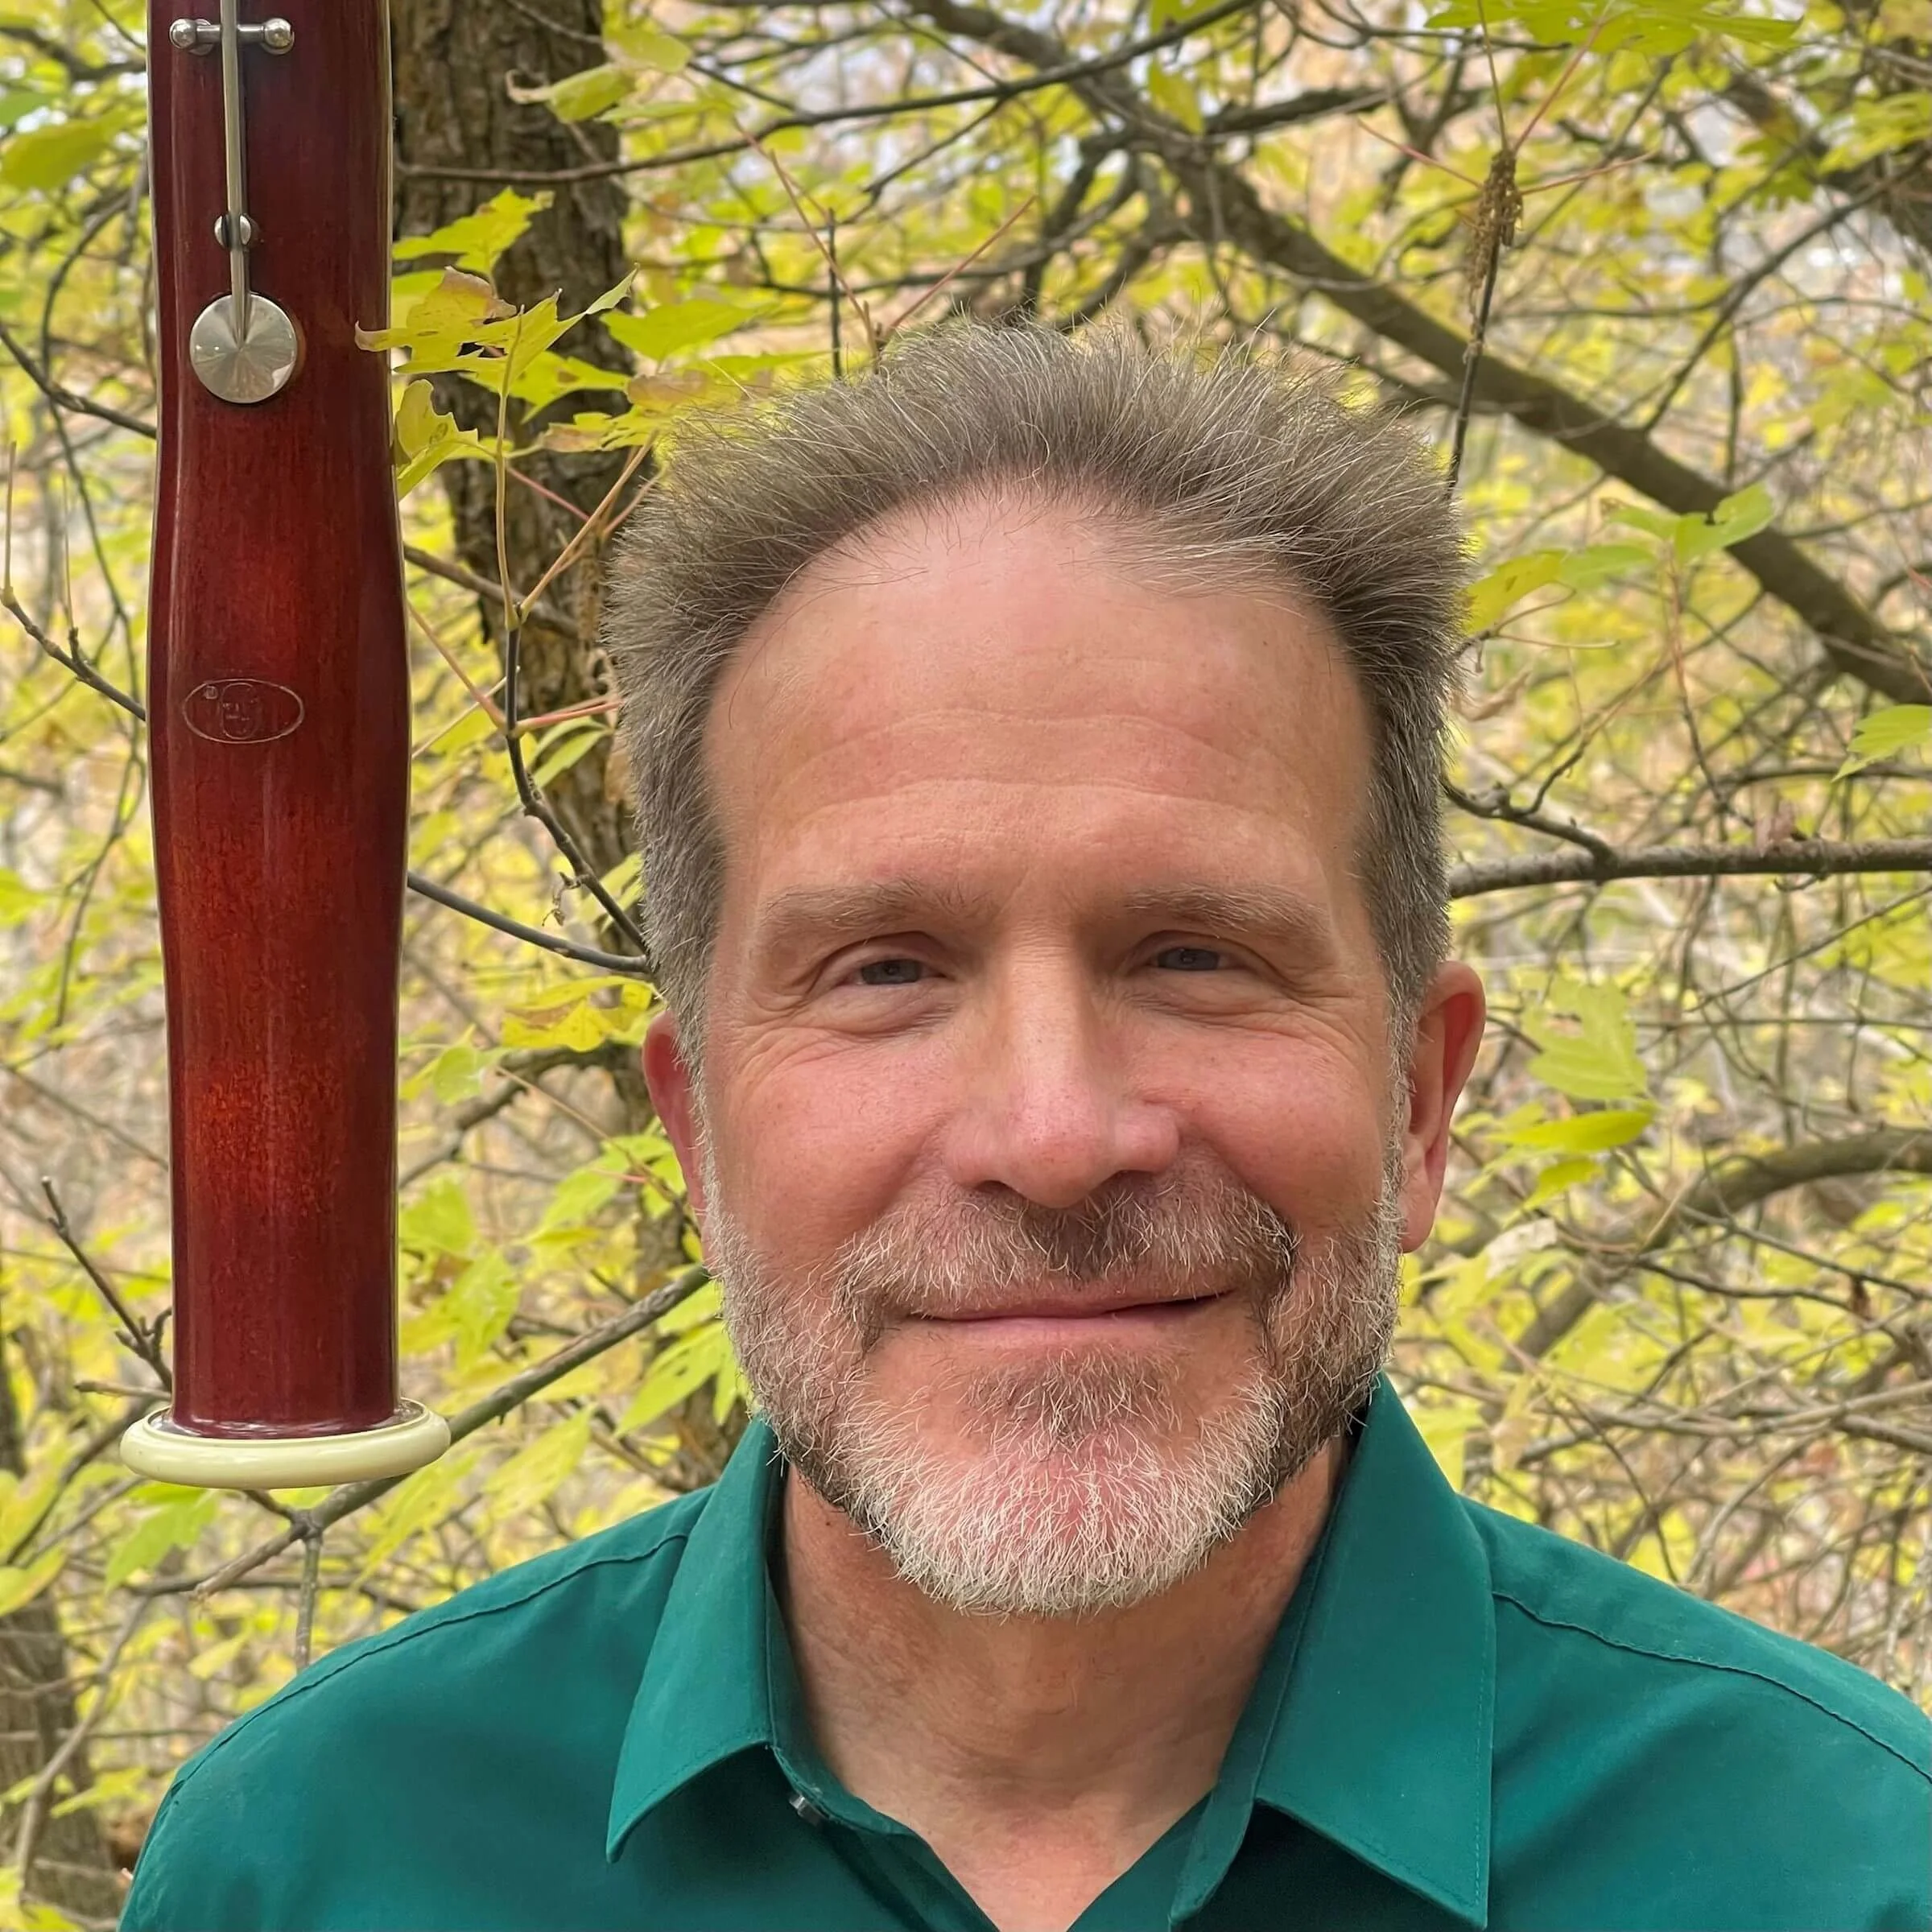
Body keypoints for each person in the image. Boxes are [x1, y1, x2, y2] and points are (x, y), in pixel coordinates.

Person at [123, 323, 1930, 1932]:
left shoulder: (1842, 1869)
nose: (1056, 1135)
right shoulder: (318, 1865)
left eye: (1197, 954)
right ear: (695, 1129)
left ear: (1420, 1098)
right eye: (887, 970)